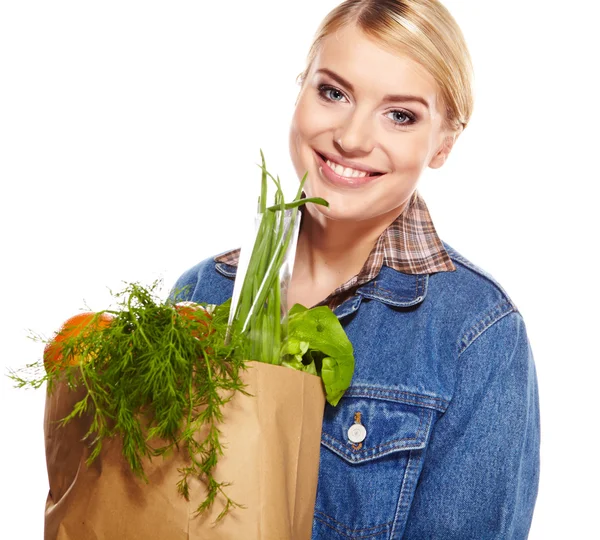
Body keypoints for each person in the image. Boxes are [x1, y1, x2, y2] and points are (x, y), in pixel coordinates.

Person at [171, 0, 540, 538]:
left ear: (445, 142)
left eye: (400, 115)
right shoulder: (200, 289)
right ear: (301, 89)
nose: (351, 138)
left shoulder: (476, 334)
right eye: (333, 92)